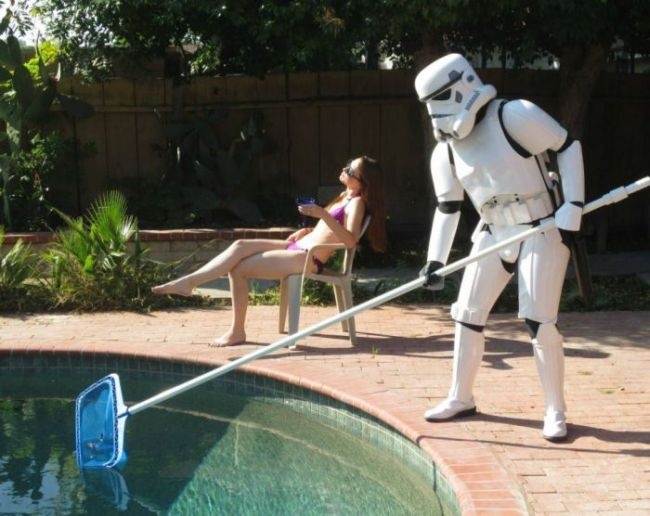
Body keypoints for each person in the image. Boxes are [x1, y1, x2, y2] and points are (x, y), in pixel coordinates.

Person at [414, 54, 585, 441]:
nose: (436, 111)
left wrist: (573, 203)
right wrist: (434, 260)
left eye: (440, 99)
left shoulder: (514, 115)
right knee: (467, 314)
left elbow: (567, 145)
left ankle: (555, 409)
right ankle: (461, 397)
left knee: (539, 320)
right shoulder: (447, 150)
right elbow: (448, 207)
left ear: (461, 85)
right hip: (493, 232)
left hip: (541, 227)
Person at [152, 156, 386, 347]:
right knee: (240, 245)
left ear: (361, 182)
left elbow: (350, 241)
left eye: (350, 170)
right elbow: (328, 231)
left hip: (308, 258)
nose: (344, 169)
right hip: (300, 247)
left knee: (238, 270)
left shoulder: (357, 204)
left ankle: (236, 331)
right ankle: (190, 282)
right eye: (348, 164)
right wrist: (307, 230)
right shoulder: (345, 196)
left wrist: (322, 214)